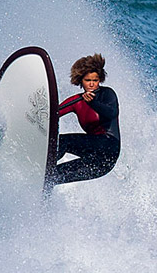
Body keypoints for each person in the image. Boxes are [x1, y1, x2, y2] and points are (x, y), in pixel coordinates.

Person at [49, 53, 120, 186]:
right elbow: (53, 114)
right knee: (52, 176)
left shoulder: (107, 94)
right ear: (80, 80)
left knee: (64, 141)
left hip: (108, 152)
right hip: (93, 158)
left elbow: (112, 113)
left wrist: (94, 103)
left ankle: (43, 164)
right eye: (88, 80)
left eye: (96, 80)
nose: (92, 84)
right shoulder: (76, 101)